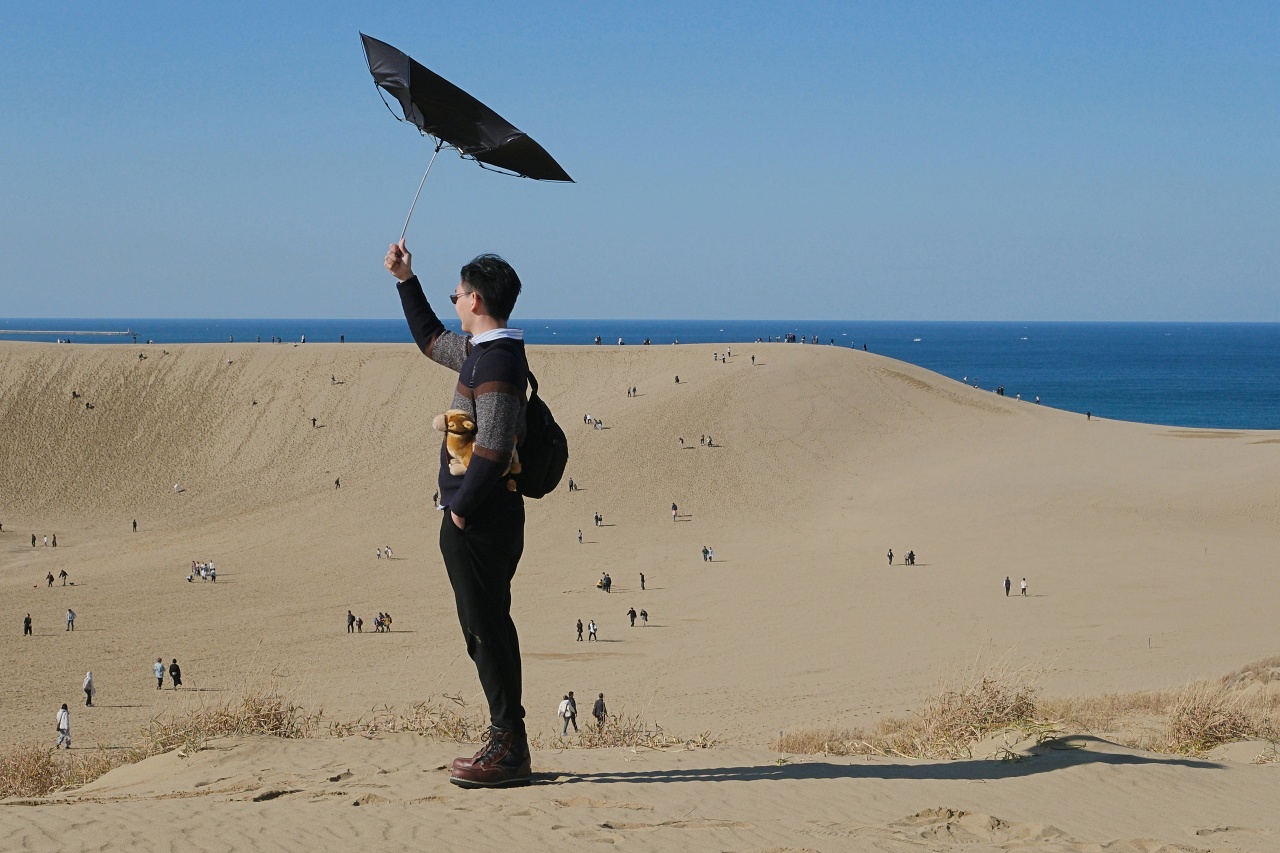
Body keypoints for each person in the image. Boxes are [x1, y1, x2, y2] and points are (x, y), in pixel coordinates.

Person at [388, 240, 532, 788]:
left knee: (486, 628)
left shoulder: (494, 359)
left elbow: (493, 446)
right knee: (485, 626)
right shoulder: (482, 350)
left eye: (456, 294)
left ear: (474, 299)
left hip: (483, 520)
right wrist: (406, 279)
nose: (454, 302)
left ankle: (508, 747)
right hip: (483, 517)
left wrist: (461, 512)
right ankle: (506, 739)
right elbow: (429, 339)